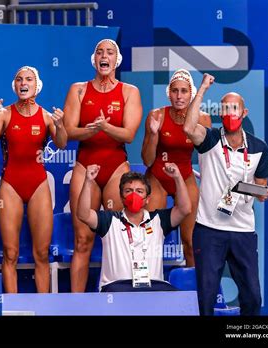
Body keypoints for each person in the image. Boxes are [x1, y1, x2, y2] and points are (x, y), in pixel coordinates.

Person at [184, 73, 268, 315]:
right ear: (220, 113)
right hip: (209, 229)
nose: (230, 113)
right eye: (225, 108)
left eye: (235, 108)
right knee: (207, 297)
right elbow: (189, 127)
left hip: (243, 230)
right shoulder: (209, 139)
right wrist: (201, 89)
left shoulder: (259, 148)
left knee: (253, 296)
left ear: (244, 113)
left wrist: (249, 189)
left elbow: (262, 190)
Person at [64, 38, 143, 292]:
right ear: (94, 59)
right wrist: (93, 131)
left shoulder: (130, 91)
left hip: (115, 167)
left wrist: (104, 127)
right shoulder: (78, 89)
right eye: (99, 52)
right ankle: (77, 305)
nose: (104, 56)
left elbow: (129, 134)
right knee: (82, 240)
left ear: (116, 60)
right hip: (85, 165)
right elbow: (68, 132)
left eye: (109, 52)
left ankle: (120, 299)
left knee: (118, 239)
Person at [0, 66, 67, 293]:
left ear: (36, 86)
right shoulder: (4, 114)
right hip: (10, 184)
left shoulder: (46, 116)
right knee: (10, 252)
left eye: (28, 79)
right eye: (19, 79)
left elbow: (61, 143)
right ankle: (11, 307)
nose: (23, 83)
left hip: (38, 184)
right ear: (15, 86)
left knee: (41, 253)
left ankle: (43, 306)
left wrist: (60, 125)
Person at [76, 162, 191, 292]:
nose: (133, 195)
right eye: (128, 191)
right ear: (121, 197)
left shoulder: (159, 219)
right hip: (116, 288)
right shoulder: (109, 220)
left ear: (147, 199)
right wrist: (88, 181)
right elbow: (83, 214)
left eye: (139, 191)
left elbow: (185, 209)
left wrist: (177, 178)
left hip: (153, 288)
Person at [142, 69, 211, 266]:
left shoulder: (203, 119)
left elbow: (210, 156)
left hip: (185, 178)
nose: (179, 96)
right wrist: (154, 135)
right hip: (158, 178)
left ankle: (195, 294)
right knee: (151, 240)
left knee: (190, 242)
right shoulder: (156, 116)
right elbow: (147, 160)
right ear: (168, 93)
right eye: (175, 91)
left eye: (184, 91)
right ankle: (148, 289)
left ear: (191, 93)